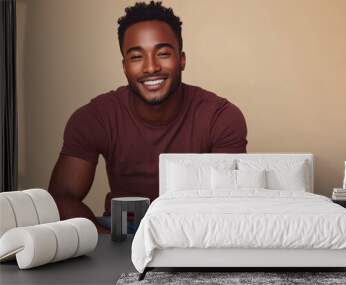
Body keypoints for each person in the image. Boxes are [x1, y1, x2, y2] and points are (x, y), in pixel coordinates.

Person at [48, 1, 247, 233]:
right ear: (124, 66)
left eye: (162, 54)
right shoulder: (95, 117)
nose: (151, 67)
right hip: (121, 229)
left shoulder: (220, 117)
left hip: (193, 230)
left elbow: (228, 205)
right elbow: (62, 198)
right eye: (136, 57)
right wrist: (104, 241)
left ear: (181, 59)